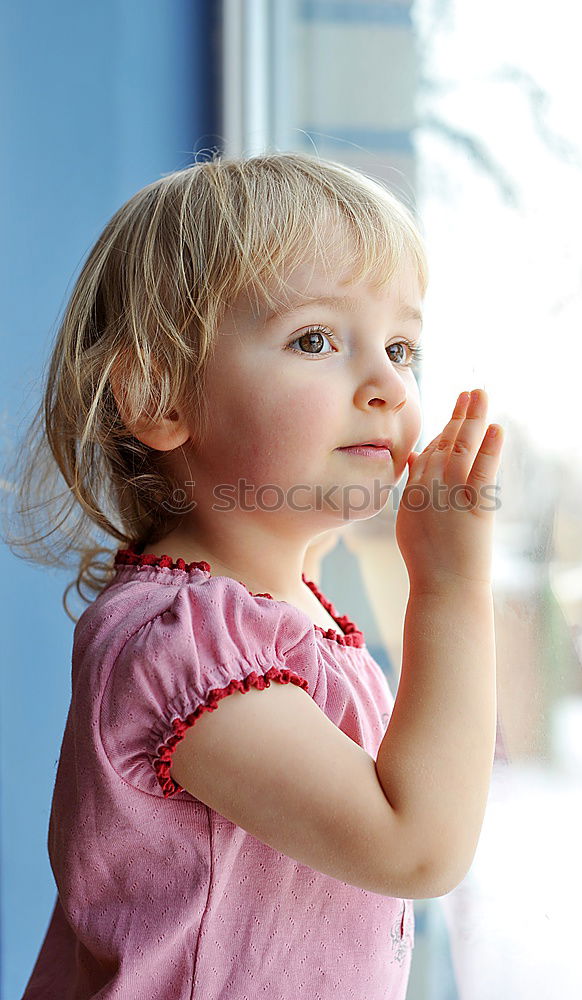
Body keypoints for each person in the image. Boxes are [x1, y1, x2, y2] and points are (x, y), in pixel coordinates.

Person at [10, 151, 504, 998]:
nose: (387, 383)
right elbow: (416, 848)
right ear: (159, 395)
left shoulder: (285, 616)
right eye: (315, 339)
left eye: (400, 346)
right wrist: (452, 589)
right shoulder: (188, 647)